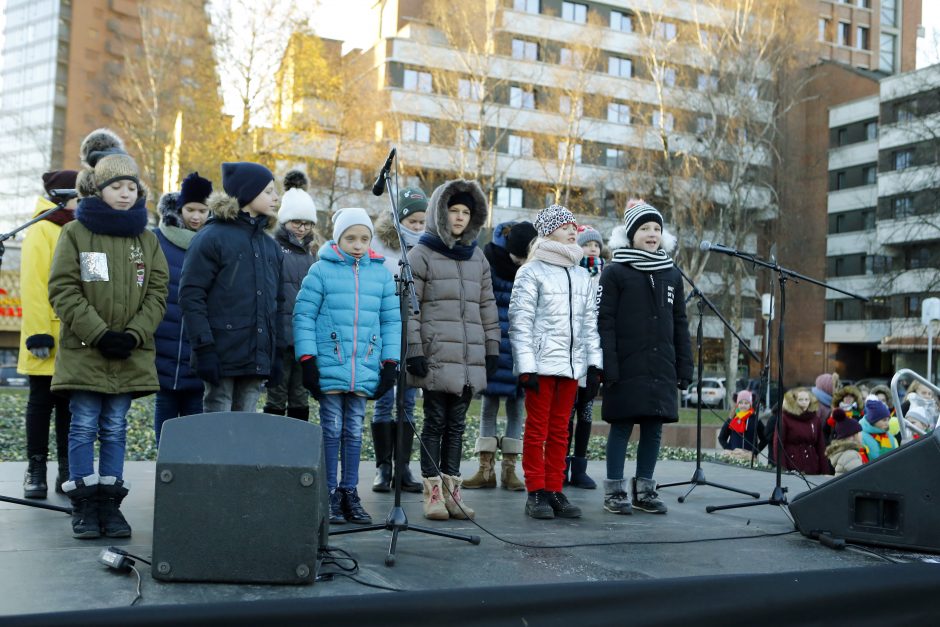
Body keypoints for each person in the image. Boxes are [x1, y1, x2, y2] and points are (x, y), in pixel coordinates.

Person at [50, 129, 168, 538]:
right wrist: (99, 334)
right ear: (99, 190)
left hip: (129, 354)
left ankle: (110, 506)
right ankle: (85, 505)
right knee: (83, 425)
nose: (124, 193)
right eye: (116, 186)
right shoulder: (76, 234)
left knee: (116, 427)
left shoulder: (146, 240)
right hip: (86, 351)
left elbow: (157, 291)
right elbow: (63, 289)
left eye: (130, 186)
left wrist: (134, 334)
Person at [293, 207, 400, 526]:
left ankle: (349, 492)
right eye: (351, 238)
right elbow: (303, 316)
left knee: (353, 430)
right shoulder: (321, 271)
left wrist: (390, 362)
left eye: (364, 239)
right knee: (331, 429)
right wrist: (308, 359)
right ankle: (327, 495)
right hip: (330, 363)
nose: (358, 244)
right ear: (338, 238)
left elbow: (391, 320)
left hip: (364, 365)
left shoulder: (380, 273)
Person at [406, 179, 499, 521]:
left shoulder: (477, 257)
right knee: (434, 422)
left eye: (465, 212)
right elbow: (410, 307)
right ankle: (432, 494)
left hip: (468, 357)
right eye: (453, 210)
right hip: (434, 354)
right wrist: (414, 348)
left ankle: (452, 492)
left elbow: (487, 304)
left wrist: (492, 347)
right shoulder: (421, 254)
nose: (459, 217)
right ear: (439, 211)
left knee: (457, 425)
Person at [599, 200, 692, 516]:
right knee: (622, 426)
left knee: (654, 428)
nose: (651, 234)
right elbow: (605, 321)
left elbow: (680, 322)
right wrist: (608, 365)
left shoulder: (671, 274)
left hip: (660, 366)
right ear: (630, 234)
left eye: (656, 229)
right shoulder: (615, 272)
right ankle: (614, 490)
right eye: (644, 229)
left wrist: (684, 365)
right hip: (626, 365)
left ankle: (645, 490)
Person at [510, 204, 602, 520]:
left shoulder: (582, 275)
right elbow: (519, 321)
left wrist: (594, 365)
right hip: (541, 366)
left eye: (574, 225)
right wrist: (526, 366)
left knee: (562, 430)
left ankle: (554, 489)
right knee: (537, 430)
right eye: (565, 225)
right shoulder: (531, 271)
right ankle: (535, 490)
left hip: (572, 366)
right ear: (548, 231)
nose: (573, 229)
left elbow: (590, 322)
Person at [179, 162, 282, 413]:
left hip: (256, 355)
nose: (276, 197)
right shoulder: (211, 237)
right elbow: (191, 294)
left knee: (246, 427)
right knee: (218, 426)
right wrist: (204, 348)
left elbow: (277, 302)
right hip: (220, 351)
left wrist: (274, 354)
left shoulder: (271, 247)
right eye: (268, 191)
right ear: (248, 193)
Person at [18, 170, 78, 498]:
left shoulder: (80, 229)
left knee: (70, 407)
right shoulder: (41, 229)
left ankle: (67, 470)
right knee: (41, 403)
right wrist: (40, 332)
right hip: (47, 337)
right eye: (78, 197)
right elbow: (34, 284)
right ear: (62, 196)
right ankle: (36, 468)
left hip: (75, 336)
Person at [465, 220, 536, 492]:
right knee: (489, 406)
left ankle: (509, 469)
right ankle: (485, 469)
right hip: (494, 345)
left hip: (519, 347)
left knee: (516, 409)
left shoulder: (530, 268)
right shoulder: (489, 263)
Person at [368, 186, 427, 494]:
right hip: (382, 330)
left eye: (422, 222)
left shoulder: (424, 248)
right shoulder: (380, 244)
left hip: (411, 331)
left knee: (407, 401)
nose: (417, 228)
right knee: (384, 399)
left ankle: (403, 466)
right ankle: (383, 466)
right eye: (412, 221)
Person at [152, 172, 213, 446]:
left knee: (196, 419)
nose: (196, 216)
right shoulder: (158, 240)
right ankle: (164, 468)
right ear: (179, 208)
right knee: (165, 414)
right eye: (191, 209)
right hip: (164, 341)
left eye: (203, 210)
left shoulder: (214, 242)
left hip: (199, 344)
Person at [263, 183, 318, 421]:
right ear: (285, 221)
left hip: (305, 336)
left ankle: (298, 448)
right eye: (297, 222)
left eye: (307, 223)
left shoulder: (313, 253)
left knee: (300, 393)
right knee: (276, 391)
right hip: (279, 335)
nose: (302, 228)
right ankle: (272, 444)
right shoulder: (273, 248)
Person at [564, 224, 605, 490]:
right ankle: (559, 466)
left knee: (586, 412)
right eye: (586, 243)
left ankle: (580, 467)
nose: (592, 248)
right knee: (565, 414)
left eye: (596, 245)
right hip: (569, 352)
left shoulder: (606, 275)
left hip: (593, 354)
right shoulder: (570, 272)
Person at [776, 387, 828, 475]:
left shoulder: (815, 419)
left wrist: (825, 470)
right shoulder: (785, 418)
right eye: (800, 400)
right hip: (792, 465)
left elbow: (820, 446)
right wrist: (783, 469)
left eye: (806, 399)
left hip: (812, 465)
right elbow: (778, 445)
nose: (804, 402)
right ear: (794, 401)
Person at [719, 390, 762, 458]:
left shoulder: (755, 419)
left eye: (746, 403)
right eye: (741, 403)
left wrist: (755, 452)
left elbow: (764, 439)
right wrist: (729, 449)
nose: (743, 405)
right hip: (734, 457)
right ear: (737, 404)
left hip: (750, 458)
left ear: (750, 404)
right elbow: (721, 437)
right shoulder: (732, 418)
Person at [825, 409, 867, 475]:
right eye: (859, 432)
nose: (861, 435)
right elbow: (862, 476)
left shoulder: (845, 452)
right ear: (852, 436)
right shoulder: (850, 455)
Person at [860, 396, 896, 461]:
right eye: (884, 420)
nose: (887, 423)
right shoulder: (861, 436)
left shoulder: (888, 435)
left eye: (888, 420)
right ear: (874, 420)